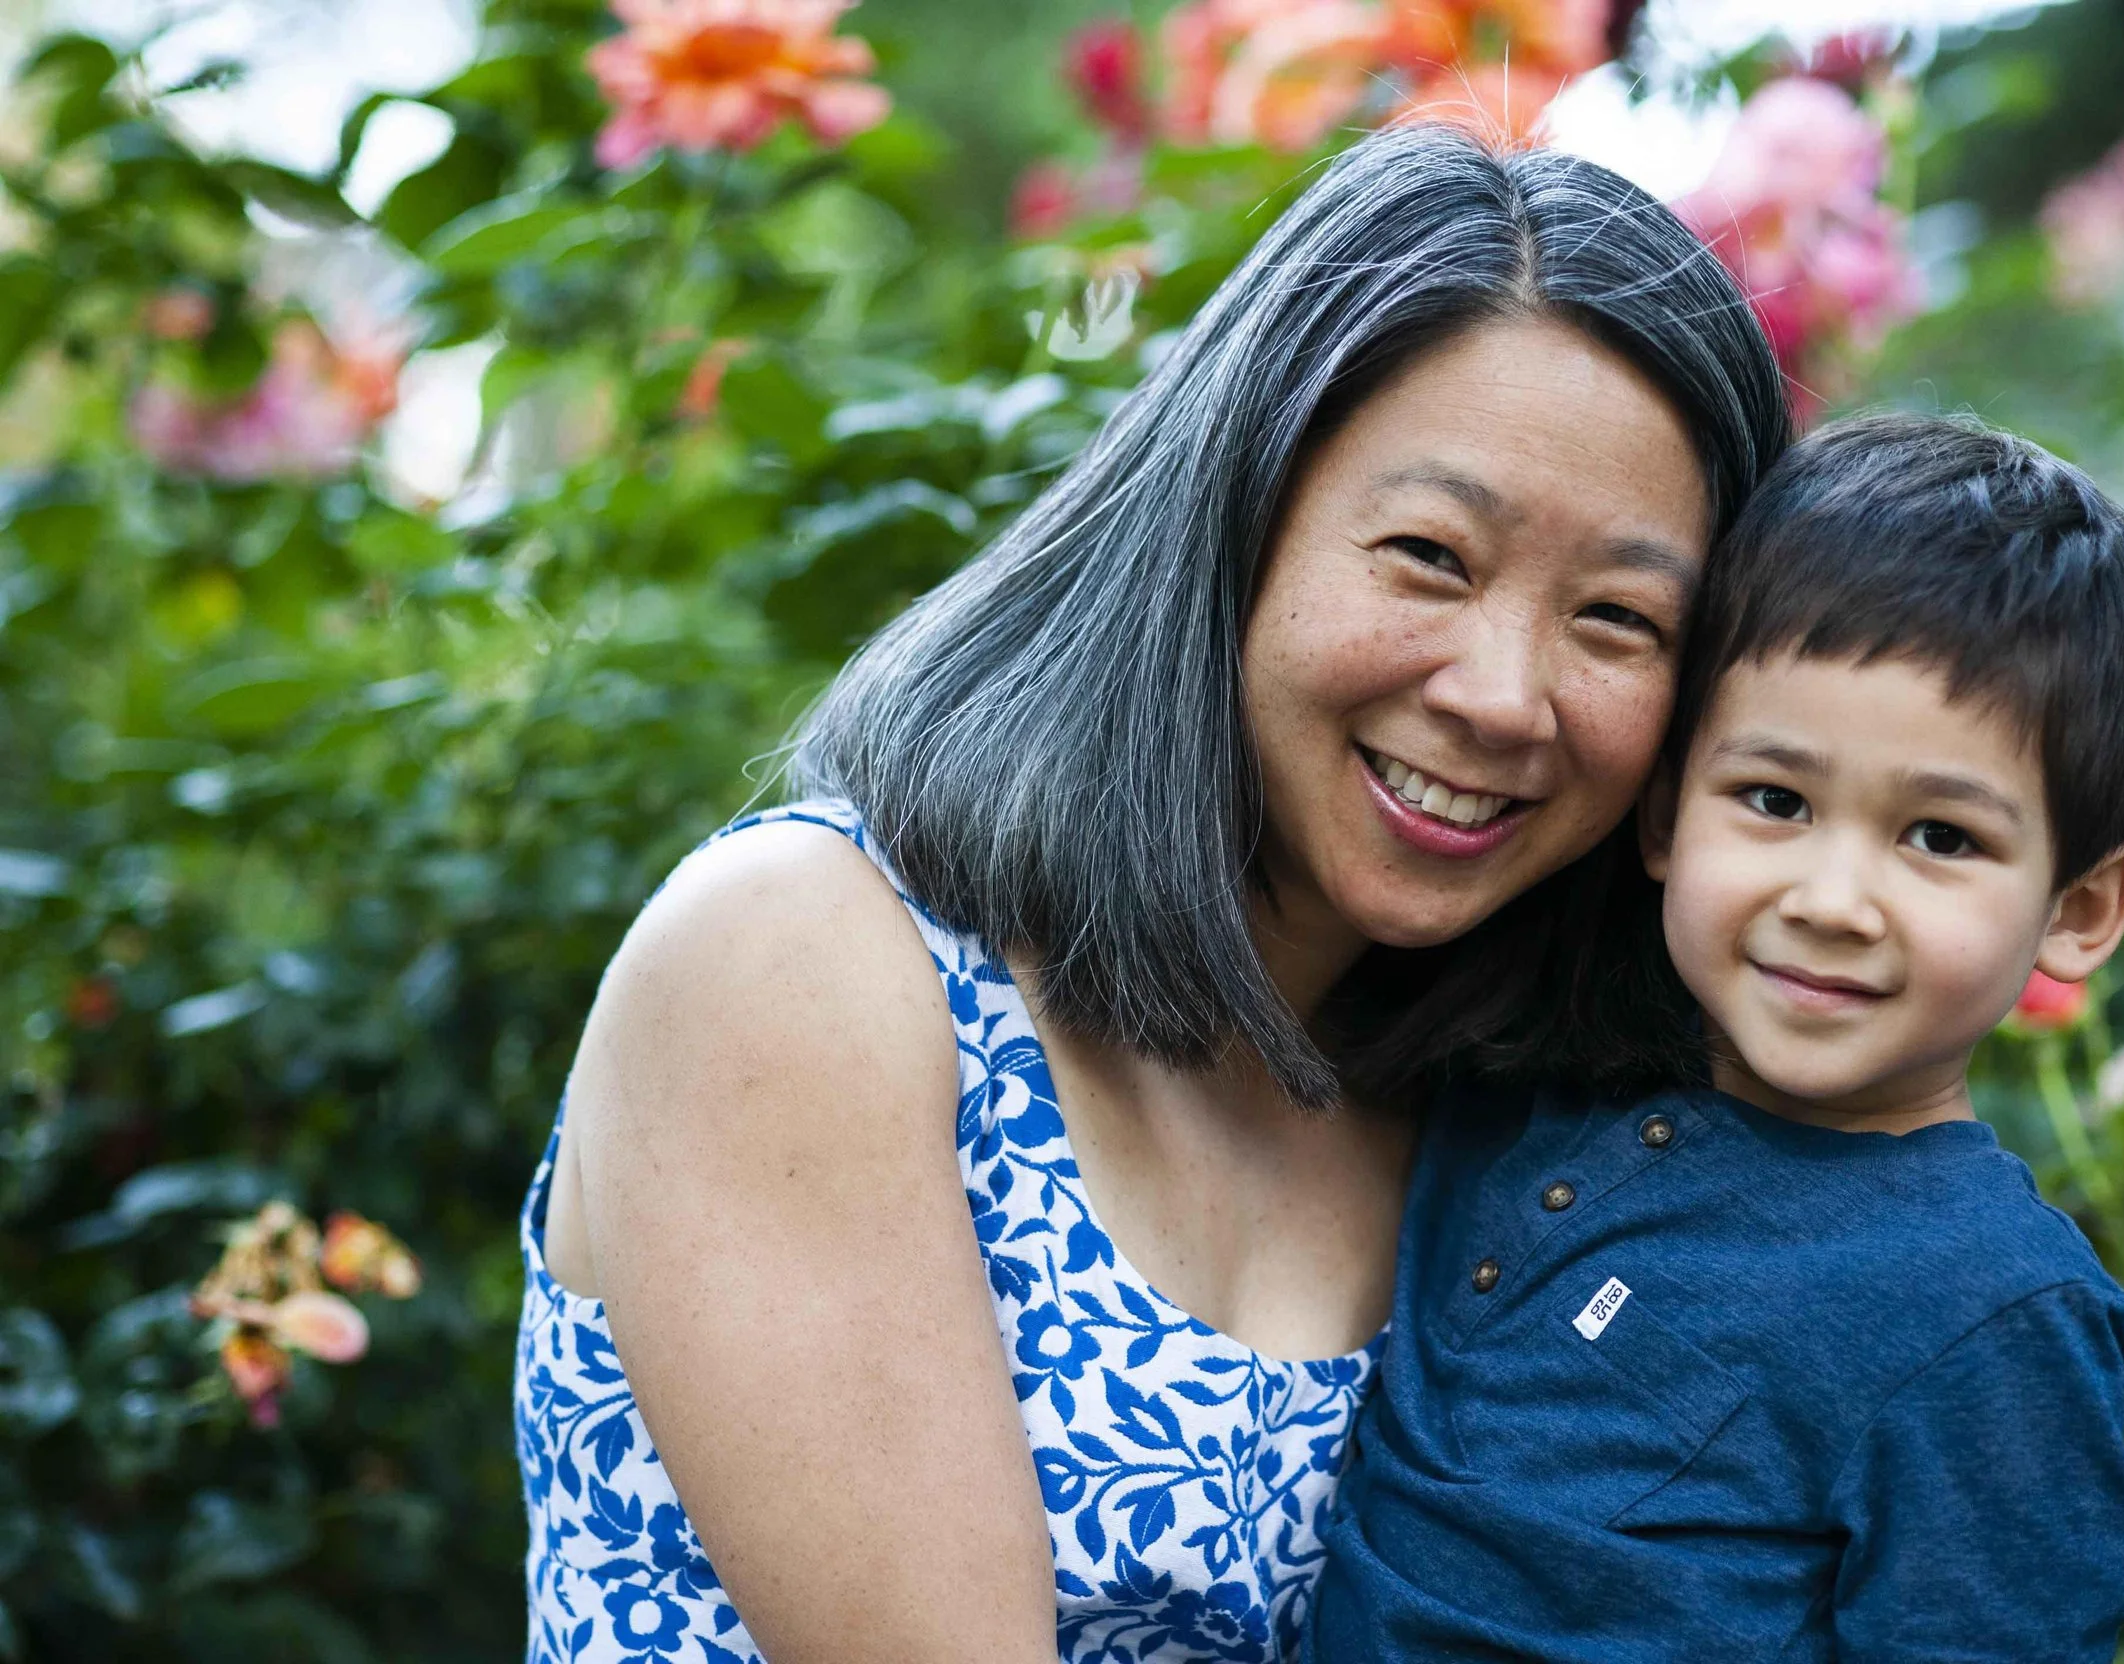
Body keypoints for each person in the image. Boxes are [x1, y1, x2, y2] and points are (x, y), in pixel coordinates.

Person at [513, 122, 1790, 1664]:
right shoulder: (809, 962)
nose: (1507, 696)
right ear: (1232, 520)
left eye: (1619, 619)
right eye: (1431, 556)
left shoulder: (1516, 1131)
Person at [1310, 412, 2124, 1661]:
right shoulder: (1533, 1061)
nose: (1830, 900)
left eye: (1939, 837)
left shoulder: (1989, 1311)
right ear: (1667, 814)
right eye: (1773, 801)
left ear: (2079, 908)